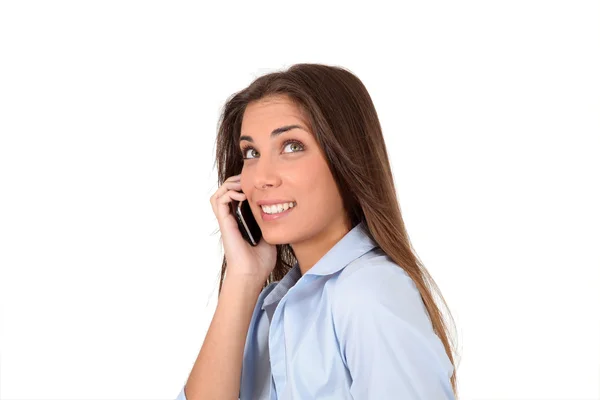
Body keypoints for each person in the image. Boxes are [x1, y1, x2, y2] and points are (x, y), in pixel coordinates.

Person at [176, 63, 459, 399]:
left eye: (291, 146)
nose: (262, 176)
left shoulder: (367, 293)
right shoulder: (269, 307)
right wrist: (242, 276)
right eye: (251, 153)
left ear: (345, 159)